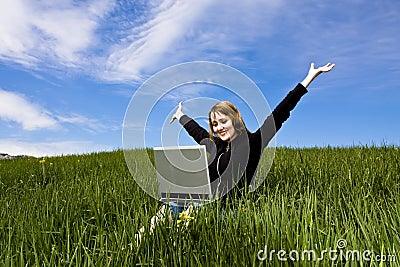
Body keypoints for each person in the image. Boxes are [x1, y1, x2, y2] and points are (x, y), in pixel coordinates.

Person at [169, 62, 335, 201]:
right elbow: (197, 132)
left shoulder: (253, 143)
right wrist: (180, 115)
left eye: (223, 121)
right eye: (214, 124)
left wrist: (309, 78)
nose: (218, 127)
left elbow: (280, 113)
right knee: (168, 206)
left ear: (234, 120)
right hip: (205, 201)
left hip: (228, 211)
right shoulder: (216, 145)